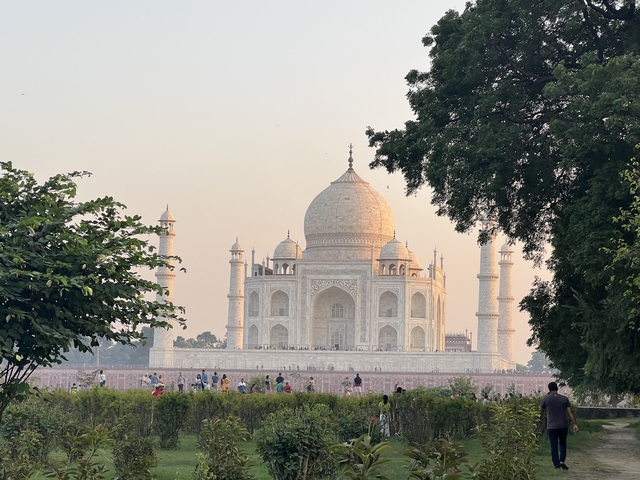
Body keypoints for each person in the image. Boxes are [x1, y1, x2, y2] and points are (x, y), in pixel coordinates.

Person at [540, 382, 579, 470]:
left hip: (551, 426)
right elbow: (570, 412)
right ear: (557, 388)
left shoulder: (546, 399)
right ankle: (562, 460)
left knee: (553, 445)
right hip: (563, 425)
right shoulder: (564, 399)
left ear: (549, 389)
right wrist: (575, 424)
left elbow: (540, 410)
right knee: (563, 443)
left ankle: (556, 464)